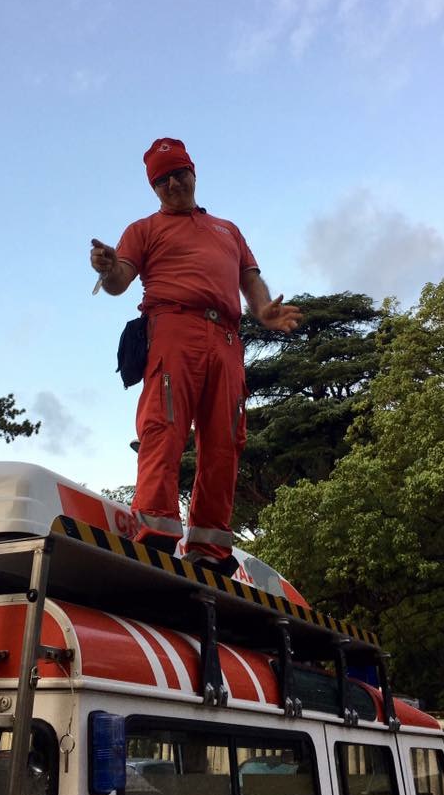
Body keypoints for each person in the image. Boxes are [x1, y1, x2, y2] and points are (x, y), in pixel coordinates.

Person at [90, 137, 301, 575]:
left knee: (226, 439)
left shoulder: (228, 230)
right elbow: (119, 283)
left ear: (193, 173)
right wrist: (109, 268)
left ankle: (208, 547)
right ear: (154, 188)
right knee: (163, 425)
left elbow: (251, 280)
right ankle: (156, 532)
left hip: (226, 338)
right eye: (161, 180)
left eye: (178, 173)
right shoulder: (143, 229)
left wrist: (262, 310)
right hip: (173, 328)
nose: (172, 184)